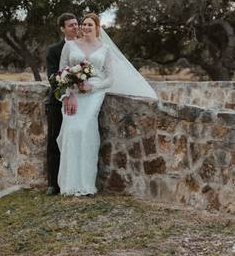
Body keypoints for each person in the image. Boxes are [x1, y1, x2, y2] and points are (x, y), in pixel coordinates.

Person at [56, 12, 157, 195]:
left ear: (97, 28)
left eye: (89, 25)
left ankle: (86, 184)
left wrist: (92, 88)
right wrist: (66, 95)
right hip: (74, 95)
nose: (85, 27)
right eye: (83, 24)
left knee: (86, 131)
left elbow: (110, 79)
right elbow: (61, 73)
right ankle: (69, 184)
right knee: (71, 133)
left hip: (94, 94)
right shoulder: (69, 46)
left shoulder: (105, 50)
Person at [45, 13, 78, 195]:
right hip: (57, 102)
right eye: (71, 25)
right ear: (63, 29)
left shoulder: (84, 47)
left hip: (80, 102)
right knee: (54, 140)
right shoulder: (54, 50)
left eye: (76, 24)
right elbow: (52, 77)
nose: (75, 27)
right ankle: (52, 183)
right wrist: (64, 96)